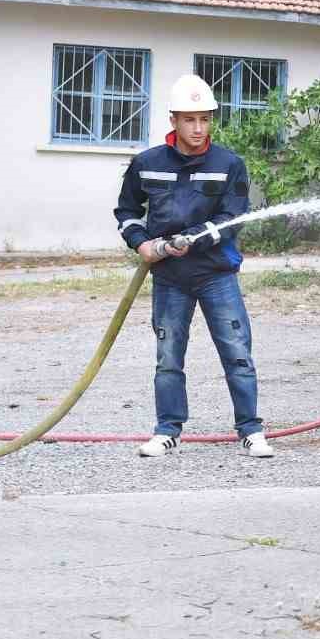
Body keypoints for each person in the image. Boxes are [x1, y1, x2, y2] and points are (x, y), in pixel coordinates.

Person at [113, 74, 273, 458]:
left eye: (205, 119)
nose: (199, 128)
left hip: (217, 276)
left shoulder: (229, 164)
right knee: (168, 358)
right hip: (169, 278)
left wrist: (193, 238)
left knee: (237, 352)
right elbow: (127, 212)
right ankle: (167, 430)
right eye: (190, 119)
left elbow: (234, 216)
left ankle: (251, 431)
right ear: (174, 121)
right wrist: (143, 242)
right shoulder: (147, 163)